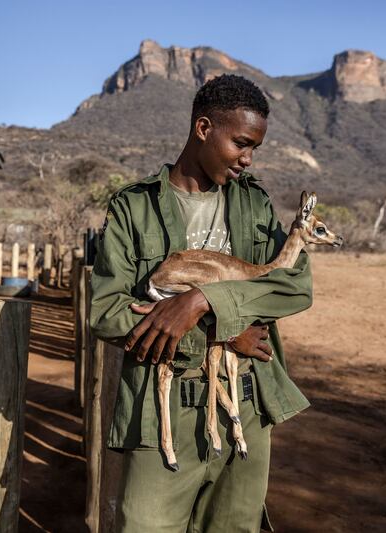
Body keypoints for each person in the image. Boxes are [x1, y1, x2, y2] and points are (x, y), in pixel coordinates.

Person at [90, 74, 314, 532]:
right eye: (241, 143)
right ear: (204, 128)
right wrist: (225, 330)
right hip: (163, 408)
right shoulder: (135, 208)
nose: (247, 159)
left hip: (247, 407)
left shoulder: (255, 205)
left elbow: (294, 286)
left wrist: (200, 300)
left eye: (254, 149)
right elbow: (108, 312)